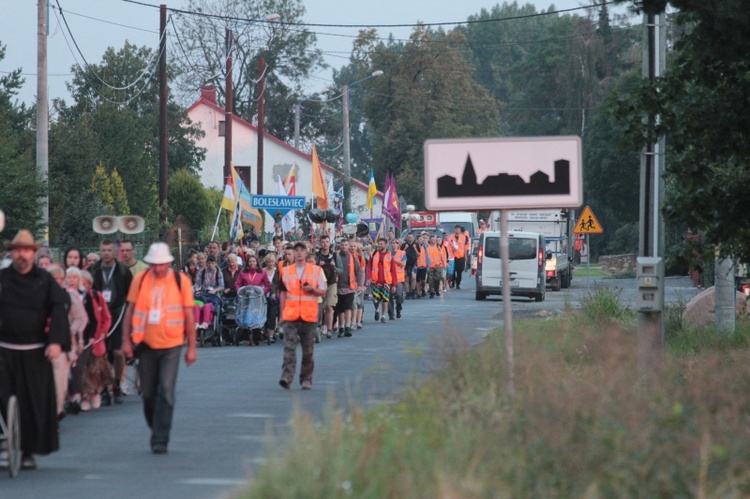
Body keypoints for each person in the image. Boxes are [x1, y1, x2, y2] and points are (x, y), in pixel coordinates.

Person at [0, 230, 71, 470]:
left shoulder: (45, 280)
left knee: (33, 403)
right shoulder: (2, 278)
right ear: (12, 252)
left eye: (27, 250)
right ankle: (4, 441)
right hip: (4, 350)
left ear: (34, 253)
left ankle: (28, 450)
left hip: (35, 351)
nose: (22, 255)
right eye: (18, 250)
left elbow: (59, 309)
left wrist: (55, 342)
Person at [122, 242, 196, 454]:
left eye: (162, 264)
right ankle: (156, 425)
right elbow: (130, 311)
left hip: (172, 344)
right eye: (154, 264)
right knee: (148, 393)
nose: (158, 268)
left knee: (165, 389)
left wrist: (192, 347)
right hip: (145, 343)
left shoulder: (180, 281)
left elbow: (189, 315)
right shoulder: (140, 279)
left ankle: (160, 438)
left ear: (169, 263)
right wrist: (126, 341)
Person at [278, 242, 327, 390]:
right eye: (296, 250)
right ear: (293, 253)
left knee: (308, 350)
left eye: (302, 250)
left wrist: (312, 289)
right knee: (289, 348)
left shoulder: (316, 270)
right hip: (291, 315)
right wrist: (281, 315)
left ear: (306, 253)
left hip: (308, 315)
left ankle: (306, 379)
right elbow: (283, 294)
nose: (299, 253)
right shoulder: (286, 271)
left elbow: (323, 291)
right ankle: (287, 376)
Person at [90, 239, 133, 405]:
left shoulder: (123, 271)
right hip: (99, 315)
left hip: (118, 314)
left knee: (117, 352)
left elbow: (130, 296)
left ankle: (117, 382)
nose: (106, 253)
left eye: (109, 250)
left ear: (115, 252)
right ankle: (104, 389)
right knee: (101, 354)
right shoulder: (94, 270)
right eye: (103, 250)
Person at [80, 270, 112, 411]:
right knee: (83, 370)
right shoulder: (73, 297)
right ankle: (85, 396)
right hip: (82, 340)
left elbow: (106, 317)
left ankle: (95, 392)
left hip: (97, 340)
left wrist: (103, 333)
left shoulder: (96, 297)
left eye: (85, 283)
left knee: (95, 369)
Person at [335, 239, 364, 337]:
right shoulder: (336, 257)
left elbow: (359, 271)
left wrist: (360, 284)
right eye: (342, 245)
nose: (344, 246)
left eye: (345, 245)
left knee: (348, 308)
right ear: (339, 246)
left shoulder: (352, 258)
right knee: (340, 309)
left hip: (350, 287)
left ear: (347, 246)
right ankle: (341, 327)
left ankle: (347, 326)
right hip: (338, 287)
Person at [315, 235, 340, 340]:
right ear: (320, 243)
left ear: (330, 243)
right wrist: (317, 265)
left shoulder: (334, 255)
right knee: (320, 308)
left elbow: (341, 270)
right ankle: (321, 326)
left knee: (329, 306)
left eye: (327, 242)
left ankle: (329, 329)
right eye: (323, 242)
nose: (325, 244)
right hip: (319, 283)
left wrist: (335, 267)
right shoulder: (316, 256)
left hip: (331, 283)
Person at [368, 238, 394, 324]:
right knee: (375, 299)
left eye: (382, 244)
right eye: (379, 244)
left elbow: (393, 270)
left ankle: (383, 316)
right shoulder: (374, 254)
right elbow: (369, 267)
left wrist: (394, 284)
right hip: (376, 281)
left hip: (386, 281)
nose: (380, 245)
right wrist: (369, 277)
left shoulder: (390, 256)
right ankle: (377, 310)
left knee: (385, 299)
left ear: (386, 245)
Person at [388, 239, 406, 319]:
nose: (393, 245)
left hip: (399, 278)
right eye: (392, 243)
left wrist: (394, 260)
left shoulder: (402, 253)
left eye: (395, 243)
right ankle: (391, 314)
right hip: (389, 278)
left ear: (398, 245)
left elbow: (403, 264)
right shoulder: (387, 253)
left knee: (399, 296)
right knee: (389, 296)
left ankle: (398, 309)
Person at [450, 225, 470, 290]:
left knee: (459, 271)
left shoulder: (463, 237)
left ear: (460, 230)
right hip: (453, 256)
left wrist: (466, 256)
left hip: (461, 256)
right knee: (452, 271)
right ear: (454, 229)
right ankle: (452, 282)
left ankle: (458, 283)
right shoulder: (451, 237)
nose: (457, 230)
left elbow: (465, 247)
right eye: (456, 229)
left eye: (458, 229)